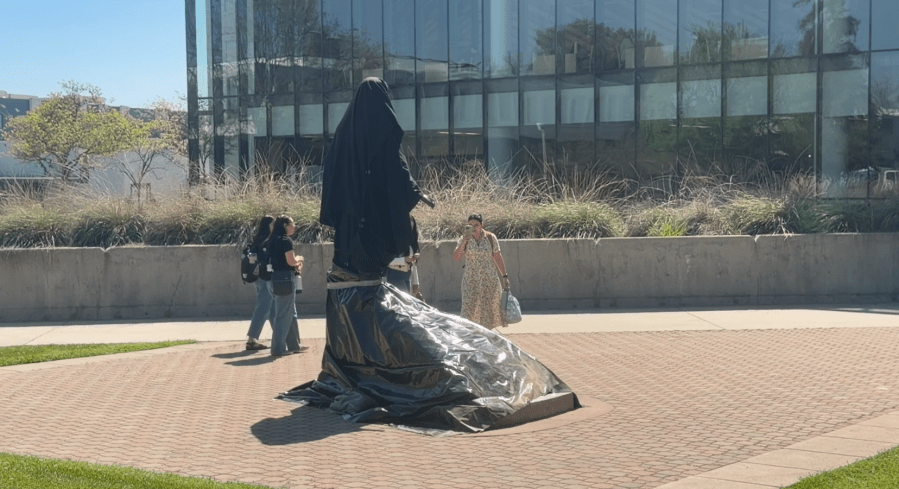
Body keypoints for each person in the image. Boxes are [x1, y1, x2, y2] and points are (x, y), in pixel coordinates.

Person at [276, 77, 576, 434]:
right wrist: (412, 196)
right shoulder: (384, 142)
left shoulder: (342, 141)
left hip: (348, 250)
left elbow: (338, 194)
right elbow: (398, 187)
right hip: (372, 251)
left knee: (378, 298)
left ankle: (360, 374)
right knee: (424, 323)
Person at [452, 213, 510, 329]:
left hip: (489, 281)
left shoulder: (490, 237)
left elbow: (497, 257)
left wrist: (504, 276)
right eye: (470, 225)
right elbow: (456, 258)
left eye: (476, 224)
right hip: (471, 280)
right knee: (469, 311)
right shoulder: (464, 239)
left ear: (482, 225)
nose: (473, 227)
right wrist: (464, 241)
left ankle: (486, 338)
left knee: (488, 313)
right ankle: (470, 338)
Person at [264, 215, 308, 357]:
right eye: (291, 224)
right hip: (285, 280)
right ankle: (278, 349)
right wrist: (299, 259)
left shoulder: (271, 240)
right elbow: (290, 261)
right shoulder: (286, 241)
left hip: (273, 279)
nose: (294, 227)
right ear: (285, 226)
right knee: (283, 316)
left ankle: (294, 344)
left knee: (289, 313)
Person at [245, 215, 275, 351]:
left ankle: (282, 337)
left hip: (257, 278)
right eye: (272, 224)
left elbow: (252, 260)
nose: (274, 227)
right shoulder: (267, 241)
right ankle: (251, 340)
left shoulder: (257, 241)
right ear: (268, 226)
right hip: (265, 278)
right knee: (263, 308)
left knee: (273, 309)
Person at [385, 215, 422, 299]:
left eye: (412, 224)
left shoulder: (411, 245)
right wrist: (403, 260)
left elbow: (413, 264)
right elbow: (386, 261)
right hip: (395, 275)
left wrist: (415, 283)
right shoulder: (392, 241)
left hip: (407, 276)